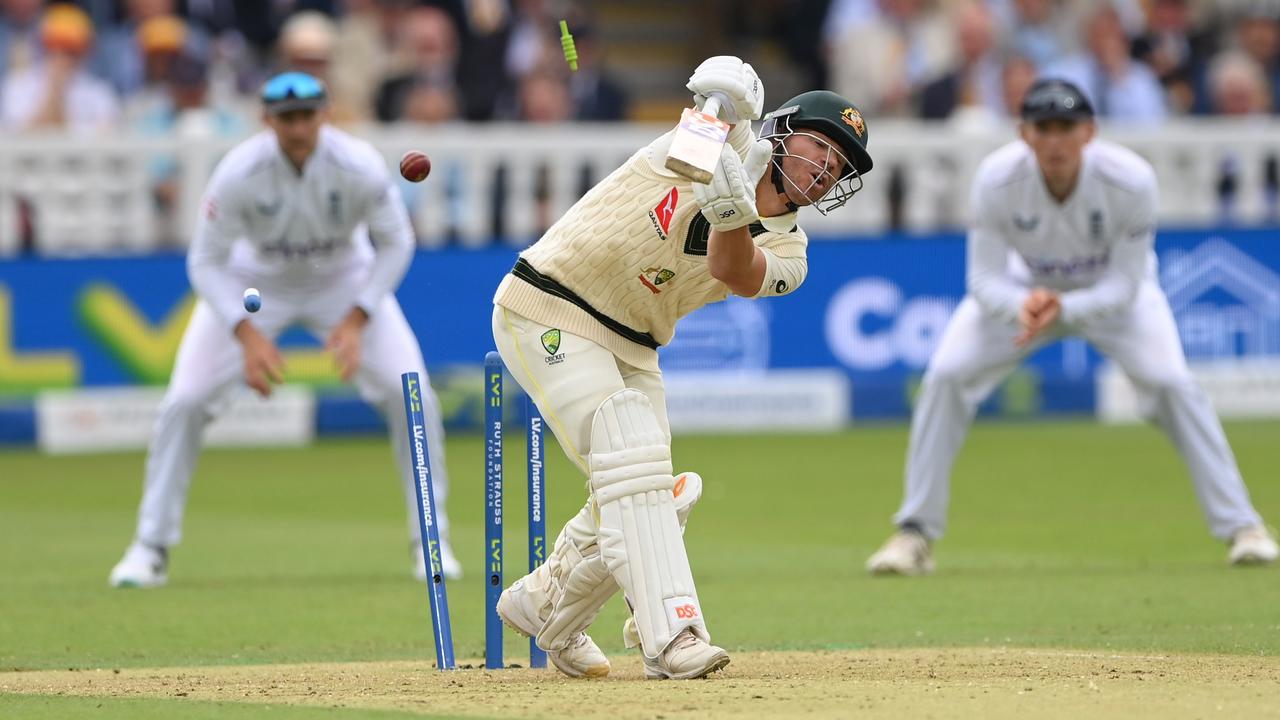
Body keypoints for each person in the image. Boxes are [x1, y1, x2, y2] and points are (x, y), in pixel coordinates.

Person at [490, 56, 874, 679]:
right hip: (549, 301)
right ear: (783, 130)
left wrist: (732, 215)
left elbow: (734, 270)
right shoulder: (719, 139)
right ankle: (671, 635)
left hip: (635, 341)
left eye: (842, 165)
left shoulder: (791, 252)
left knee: (654, 490)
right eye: (821, 145)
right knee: (634, 461)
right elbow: (712, 98)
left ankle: (546, 605)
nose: (828, 167)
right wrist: (726, 93)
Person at [865, 78, 1278, 576]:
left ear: (1090, 132)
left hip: (1111, 298)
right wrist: (1022, 305)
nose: (1055, 140)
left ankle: (1244, 527)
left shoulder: (1132, 180)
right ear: (1024, 133)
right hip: (1026, 292)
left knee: (1172, 384)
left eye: (1067, 127)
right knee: (947, 377)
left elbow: (1126, 284)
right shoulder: (996, 178)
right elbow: (982, 279)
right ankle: (914, 534)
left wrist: (1065, 309)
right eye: (1044, 128)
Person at [108, 71, 460, 588]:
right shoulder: (239, 171)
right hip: (256, 283)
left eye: (307, 116)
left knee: (413, 394)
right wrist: (246, 336)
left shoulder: (357, 164)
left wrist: (357, 318)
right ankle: (150, 547)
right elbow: (205, 261)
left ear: (325, 114)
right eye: (286, 118)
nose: (298, 128)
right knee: (185, 400)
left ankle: (431, 541)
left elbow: (396, 243)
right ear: (266, 119)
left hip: (345, 278)